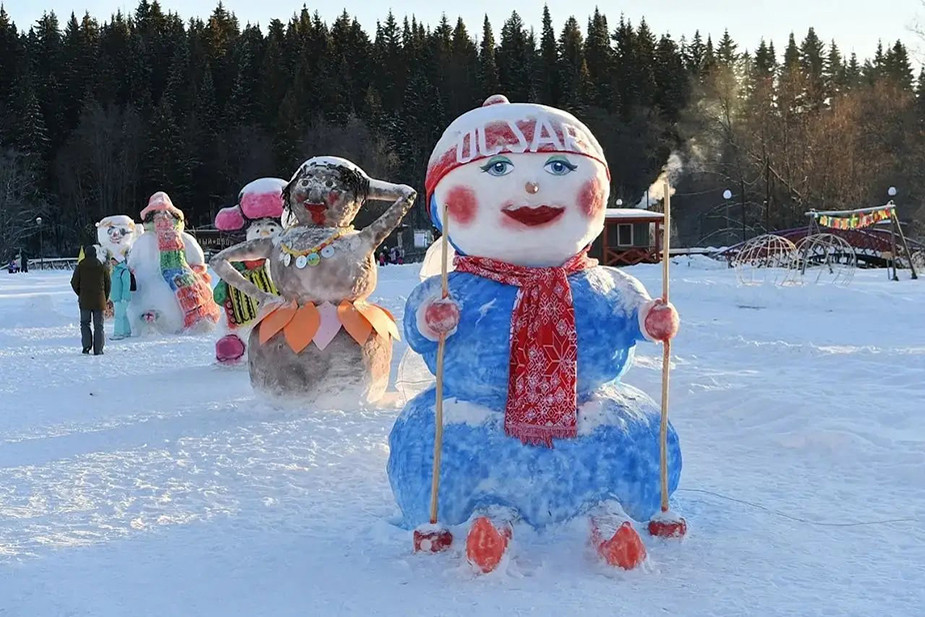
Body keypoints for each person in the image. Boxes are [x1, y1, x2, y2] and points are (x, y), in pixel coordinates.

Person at [70, 244, 111, 355]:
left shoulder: (80, 266)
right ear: (95, 254)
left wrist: (80, 293)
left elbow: (74, 283)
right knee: (99, 326)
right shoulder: (102, 267)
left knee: (85, 323)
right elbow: (108, 284)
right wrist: (105, 297)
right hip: (99, 300)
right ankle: (98, 349)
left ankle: (86, 346)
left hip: (85, 300)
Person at [109, 257, 133, 340]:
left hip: (122, 298)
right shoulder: (115, 271)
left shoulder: (124, 271)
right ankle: (126, 331)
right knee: (123, 315)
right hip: (116, 297)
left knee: (118, 316)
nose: (112, 263)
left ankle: (118, 333)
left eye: (113, 261)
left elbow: (126, 286)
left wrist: (124, 297)